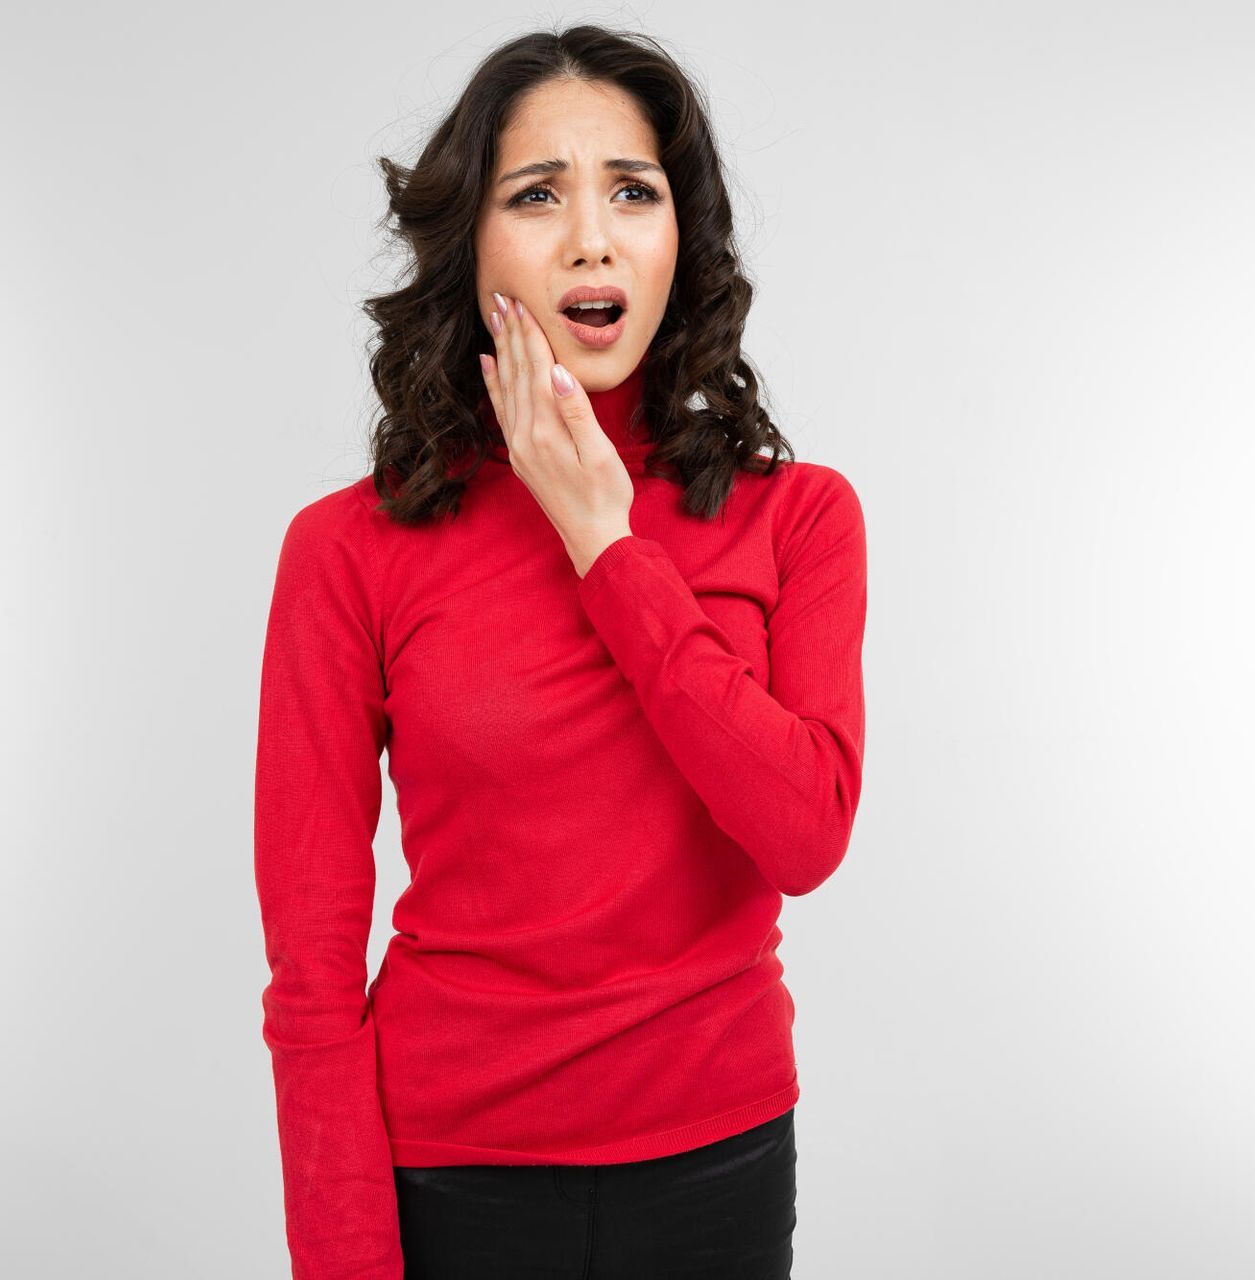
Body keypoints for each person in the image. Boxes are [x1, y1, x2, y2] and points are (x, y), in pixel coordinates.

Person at [254, 23, 866, 1280]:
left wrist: (605, 540)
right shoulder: (346, 549)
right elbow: (310, 970)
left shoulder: (798, 516)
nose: (592, 235)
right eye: (538, 195)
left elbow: (804, 834)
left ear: (677, 240)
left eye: (632, 192)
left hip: (721, 1163)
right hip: (450, 1176)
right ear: (470, 244)